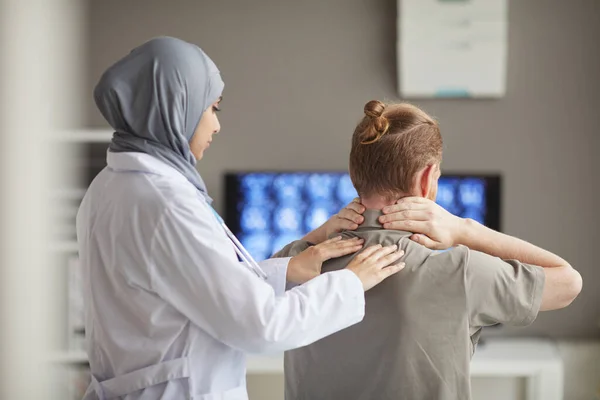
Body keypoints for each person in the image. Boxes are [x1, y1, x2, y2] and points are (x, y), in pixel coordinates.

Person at [76, 38, 406, 400]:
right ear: (176, 107)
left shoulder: (111, 184)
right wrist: (350, 282)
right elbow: (261, 326)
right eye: (213, 109)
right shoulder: (165, 203)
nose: (216, 126)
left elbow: (187, 285)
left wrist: (289, 268)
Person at [276, 100, 582, 400]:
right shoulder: (460, 271)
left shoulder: (293, 265)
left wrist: (318, 235)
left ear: (355, 174)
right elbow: (568, 283)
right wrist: (465, 229)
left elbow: (250, 285)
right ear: (426, 179)